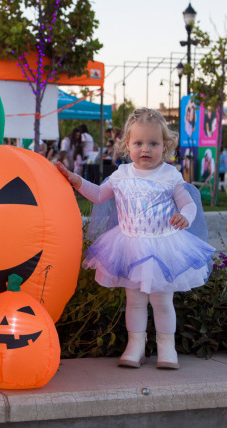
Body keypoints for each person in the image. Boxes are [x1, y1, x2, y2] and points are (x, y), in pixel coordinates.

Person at [57, 107, 214, 370]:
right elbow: (98, 195)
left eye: (153, 143)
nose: (146, 149)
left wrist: (185, 216)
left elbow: (188, 204)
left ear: (165, 145)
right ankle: (135, 346)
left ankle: (167, 348)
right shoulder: (122, 174)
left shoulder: (170, 175)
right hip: (129, 244)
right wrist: (76, 180)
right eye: (138, 143)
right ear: (126, 145)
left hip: (163, 245)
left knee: (162, 299)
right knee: (135, 300)